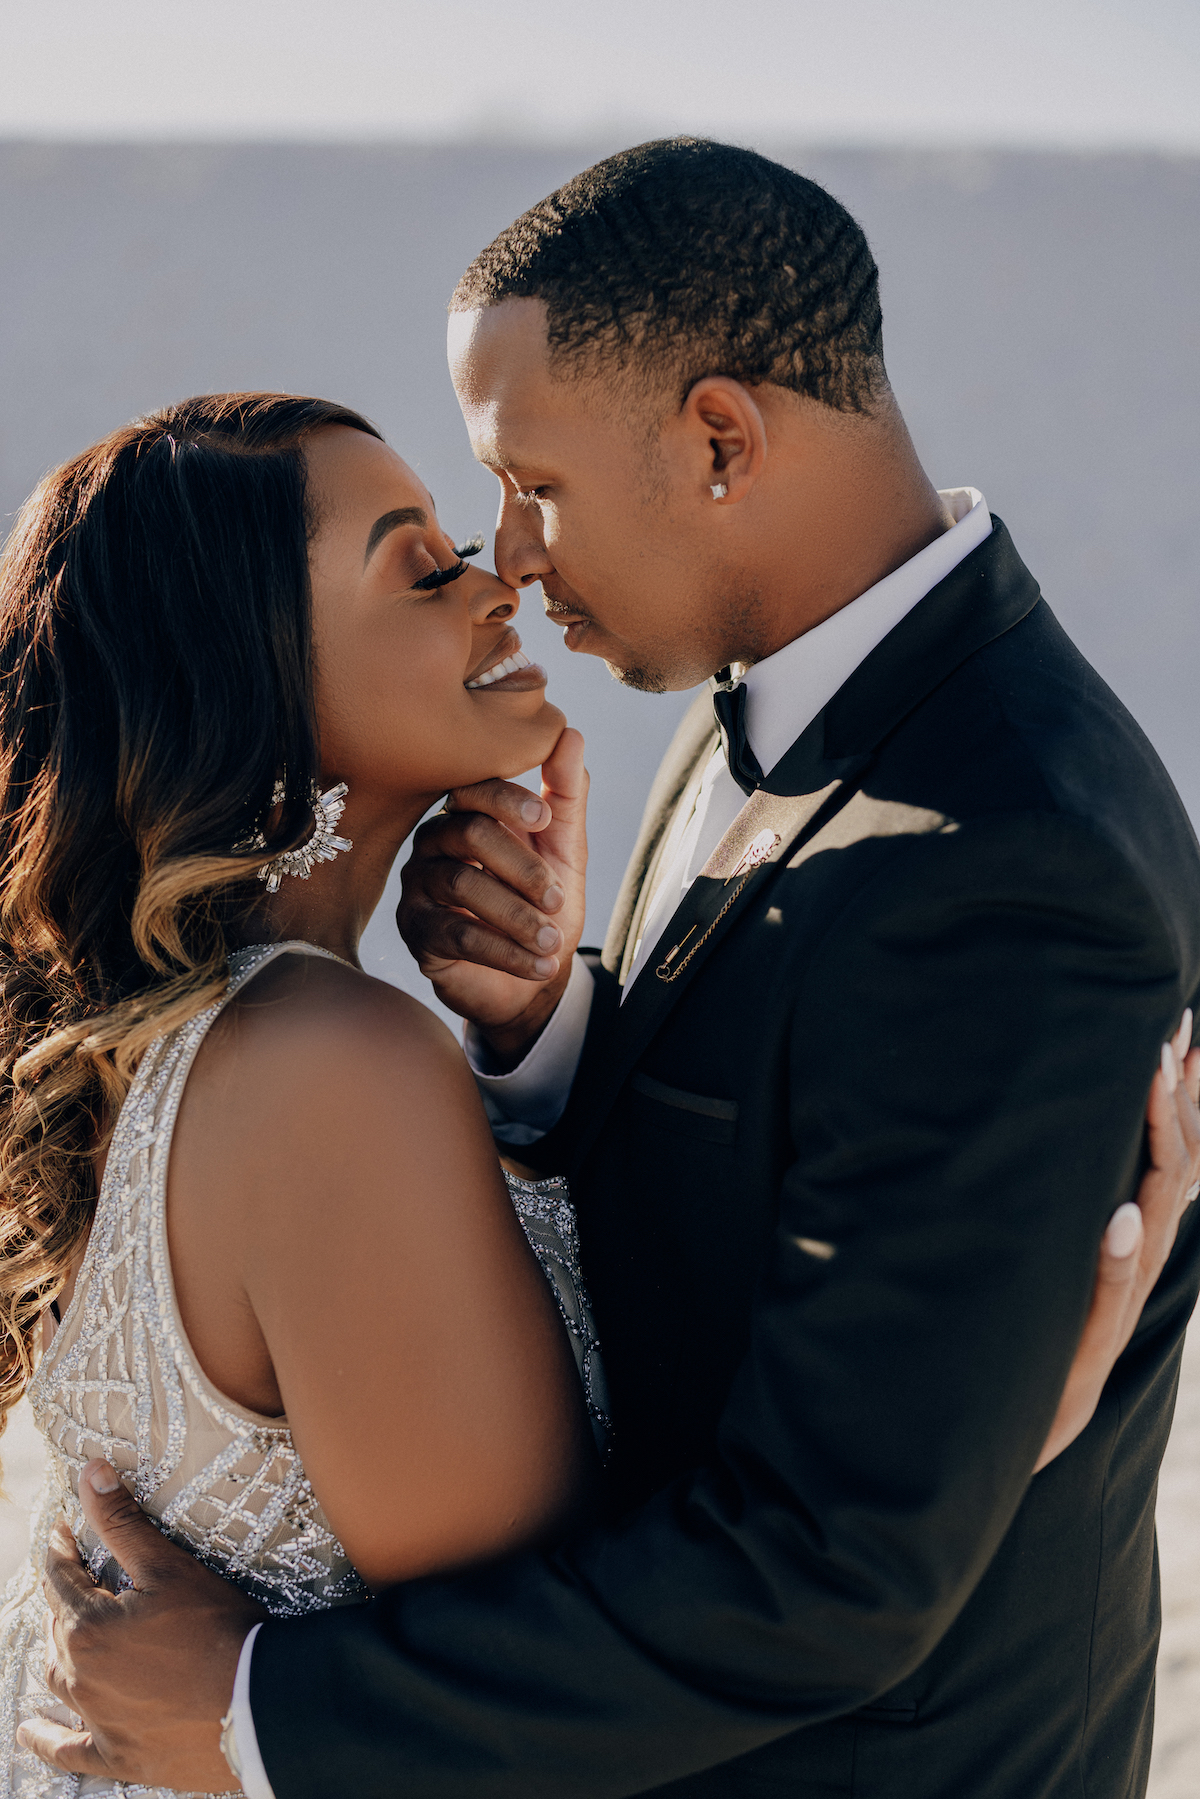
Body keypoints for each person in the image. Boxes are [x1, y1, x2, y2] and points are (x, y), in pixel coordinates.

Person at [21, 140, 1200, 1799]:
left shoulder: (1014, 856)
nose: (511, 557)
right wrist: (557, 1041)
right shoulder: (742, 731)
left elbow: (837, 1565)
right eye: (438, 546)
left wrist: (995, 1430)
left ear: (721, 440)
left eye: (531, 488)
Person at [0, 390, 612, 1798]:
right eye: (421, 564)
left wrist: (529, 1038)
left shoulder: (161, 1050)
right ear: (249, 677)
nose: (498, 580)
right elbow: (547, 1673)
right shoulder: (330, 1072)